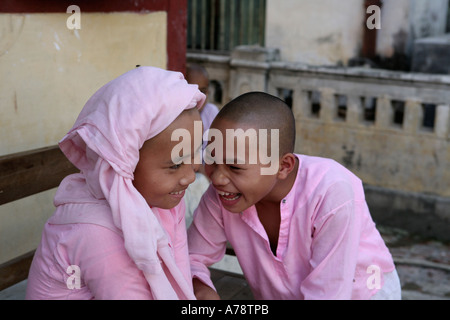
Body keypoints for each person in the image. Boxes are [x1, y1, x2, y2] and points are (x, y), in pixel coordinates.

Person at [188, 91, 401, 300]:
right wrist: (202, 289)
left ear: (283, 166)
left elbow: (328, 294)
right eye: (211, 160)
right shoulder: (223, 194)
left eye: (235, 167)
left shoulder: (331, 193)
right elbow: (192, 257)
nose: (217, 178)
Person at [26, 66, 205, 300]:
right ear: (124, 164)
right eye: (174, 165)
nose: (190, 177)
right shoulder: (98, 232)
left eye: (194, 154)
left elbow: (180, 276)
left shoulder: (164, 198)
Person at [184, 64, 220, 226]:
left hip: (207, 174)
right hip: (189, 174)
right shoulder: (176, 115)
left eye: (204, 91)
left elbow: (217, 152)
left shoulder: (211, 113)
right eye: (193, 90)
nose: (199, 97)